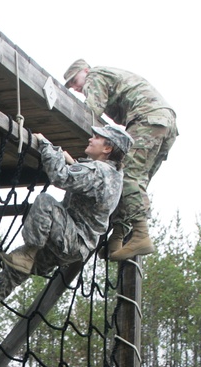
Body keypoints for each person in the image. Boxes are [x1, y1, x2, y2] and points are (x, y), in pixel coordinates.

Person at [0, 124, 132, 320]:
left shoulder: (98, 172)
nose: (91, 139)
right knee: (19, 268)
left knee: (45, 202)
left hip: (72, 238)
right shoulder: (114, 175)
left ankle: (28, 252)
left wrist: (47, 147)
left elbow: (60, 177)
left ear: (107, 149)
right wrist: (73, 163)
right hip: (73, 245)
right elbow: (88, 184)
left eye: (97, 137)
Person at [63, 59, 178, 261]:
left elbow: (90, 111)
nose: (75, 87)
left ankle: (140, 235)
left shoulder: (95, 76)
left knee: (127, 177)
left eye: (74, 80)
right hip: (163, 123)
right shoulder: (107, 76)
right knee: (135, 181)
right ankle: (118, 237)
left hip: (147, 119)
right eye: (71, 85)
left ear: (85, 71)